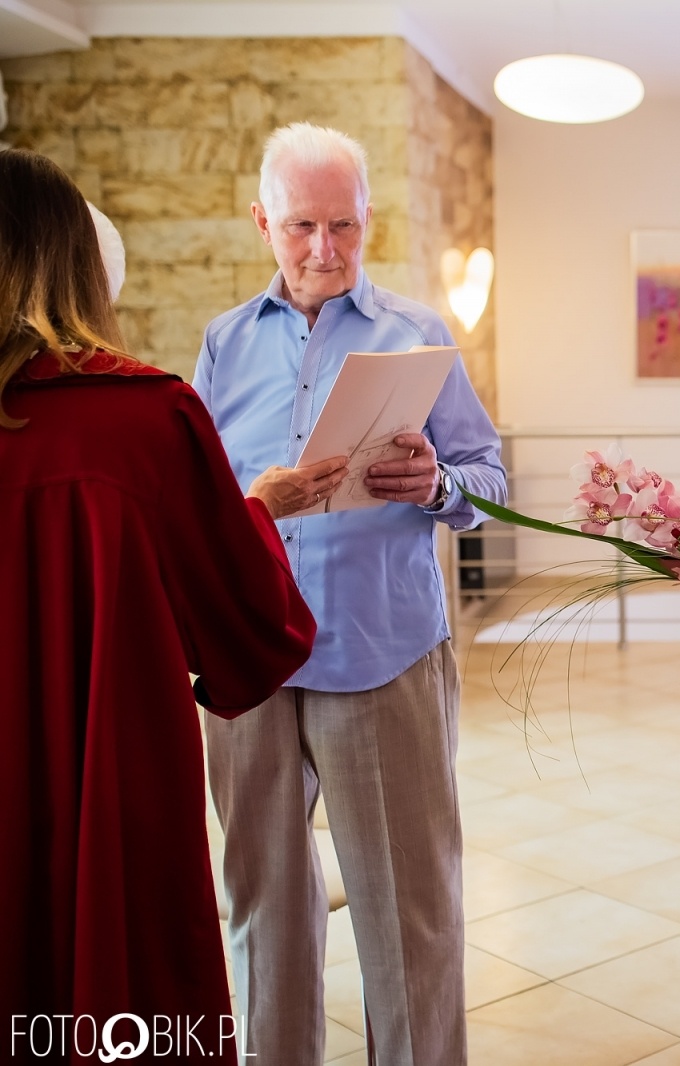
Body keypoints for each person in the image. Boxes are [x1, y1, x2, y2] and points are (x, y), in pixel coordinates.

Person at [194, 123, 506, 1064]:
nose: (323, 251)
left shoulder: (418, 334)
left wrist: (443, 486)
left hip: (382, 655)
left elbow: (490, 479)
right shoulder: (222, 343)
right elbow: (197, 496)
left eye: (343, 226)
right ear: (262, 223)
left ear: (368, 219)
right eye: (300, 228)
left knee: (408, 913)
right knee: (264, 905)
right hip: (249, 662)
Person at [0, 149, 316, 1057]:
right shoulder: (145, 420)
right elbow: (249, 626)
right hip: (110, 778)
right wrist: (258, 509)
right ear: (76, 260)